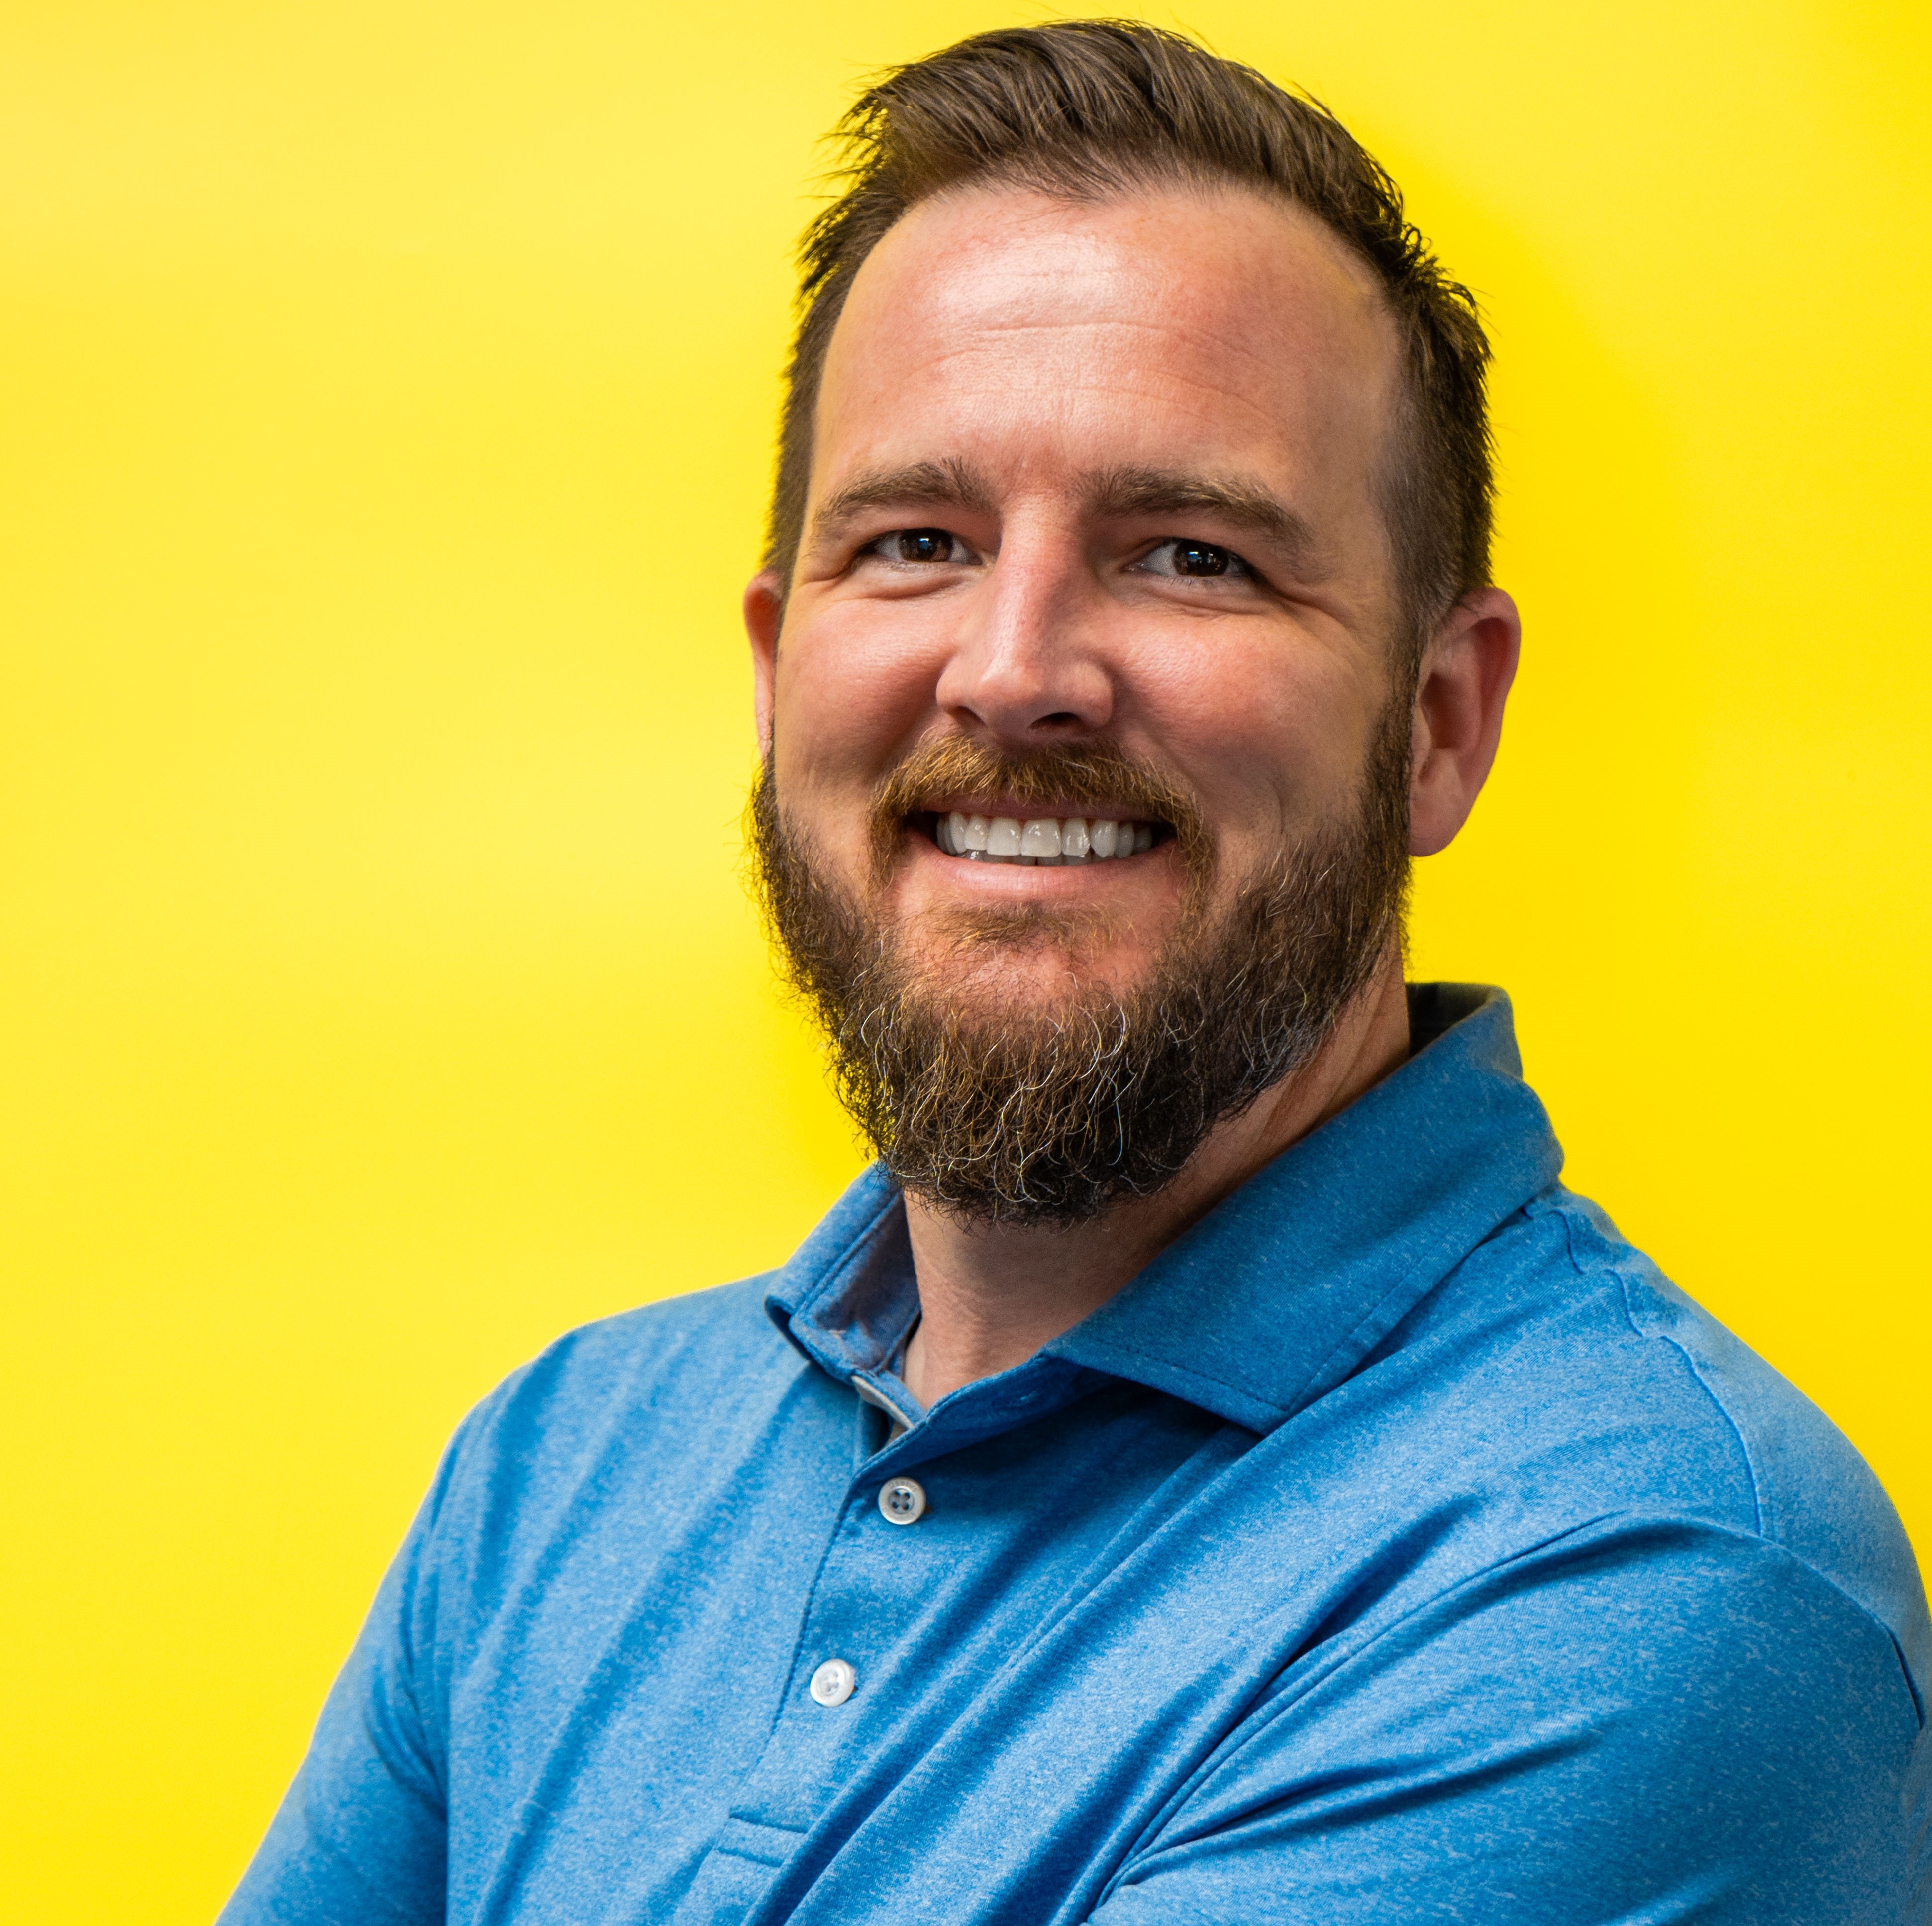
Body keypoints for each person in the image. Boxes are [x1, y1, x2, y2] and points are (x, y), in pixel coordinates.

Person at [221, 22, 1930, 1925]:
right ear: (779, 670)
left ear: (1437, 721)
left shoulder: (1623, 1578)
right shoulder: (564, 1460)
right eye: (917, 543)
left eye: (1189, 556)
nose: (1013, 668)